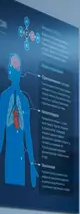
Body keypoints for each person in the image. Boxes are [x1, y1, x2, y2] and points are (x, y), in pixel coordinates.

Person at [1, 53, 36, 188]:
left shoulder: (24, 101)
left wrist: (32, 164)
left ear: (20, 70)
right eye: (10, 64)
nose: (11, 68)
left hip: (21, 158)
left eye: (15, 65)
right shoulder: (4, 97)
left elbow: (28, 135)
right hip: (8, 155)